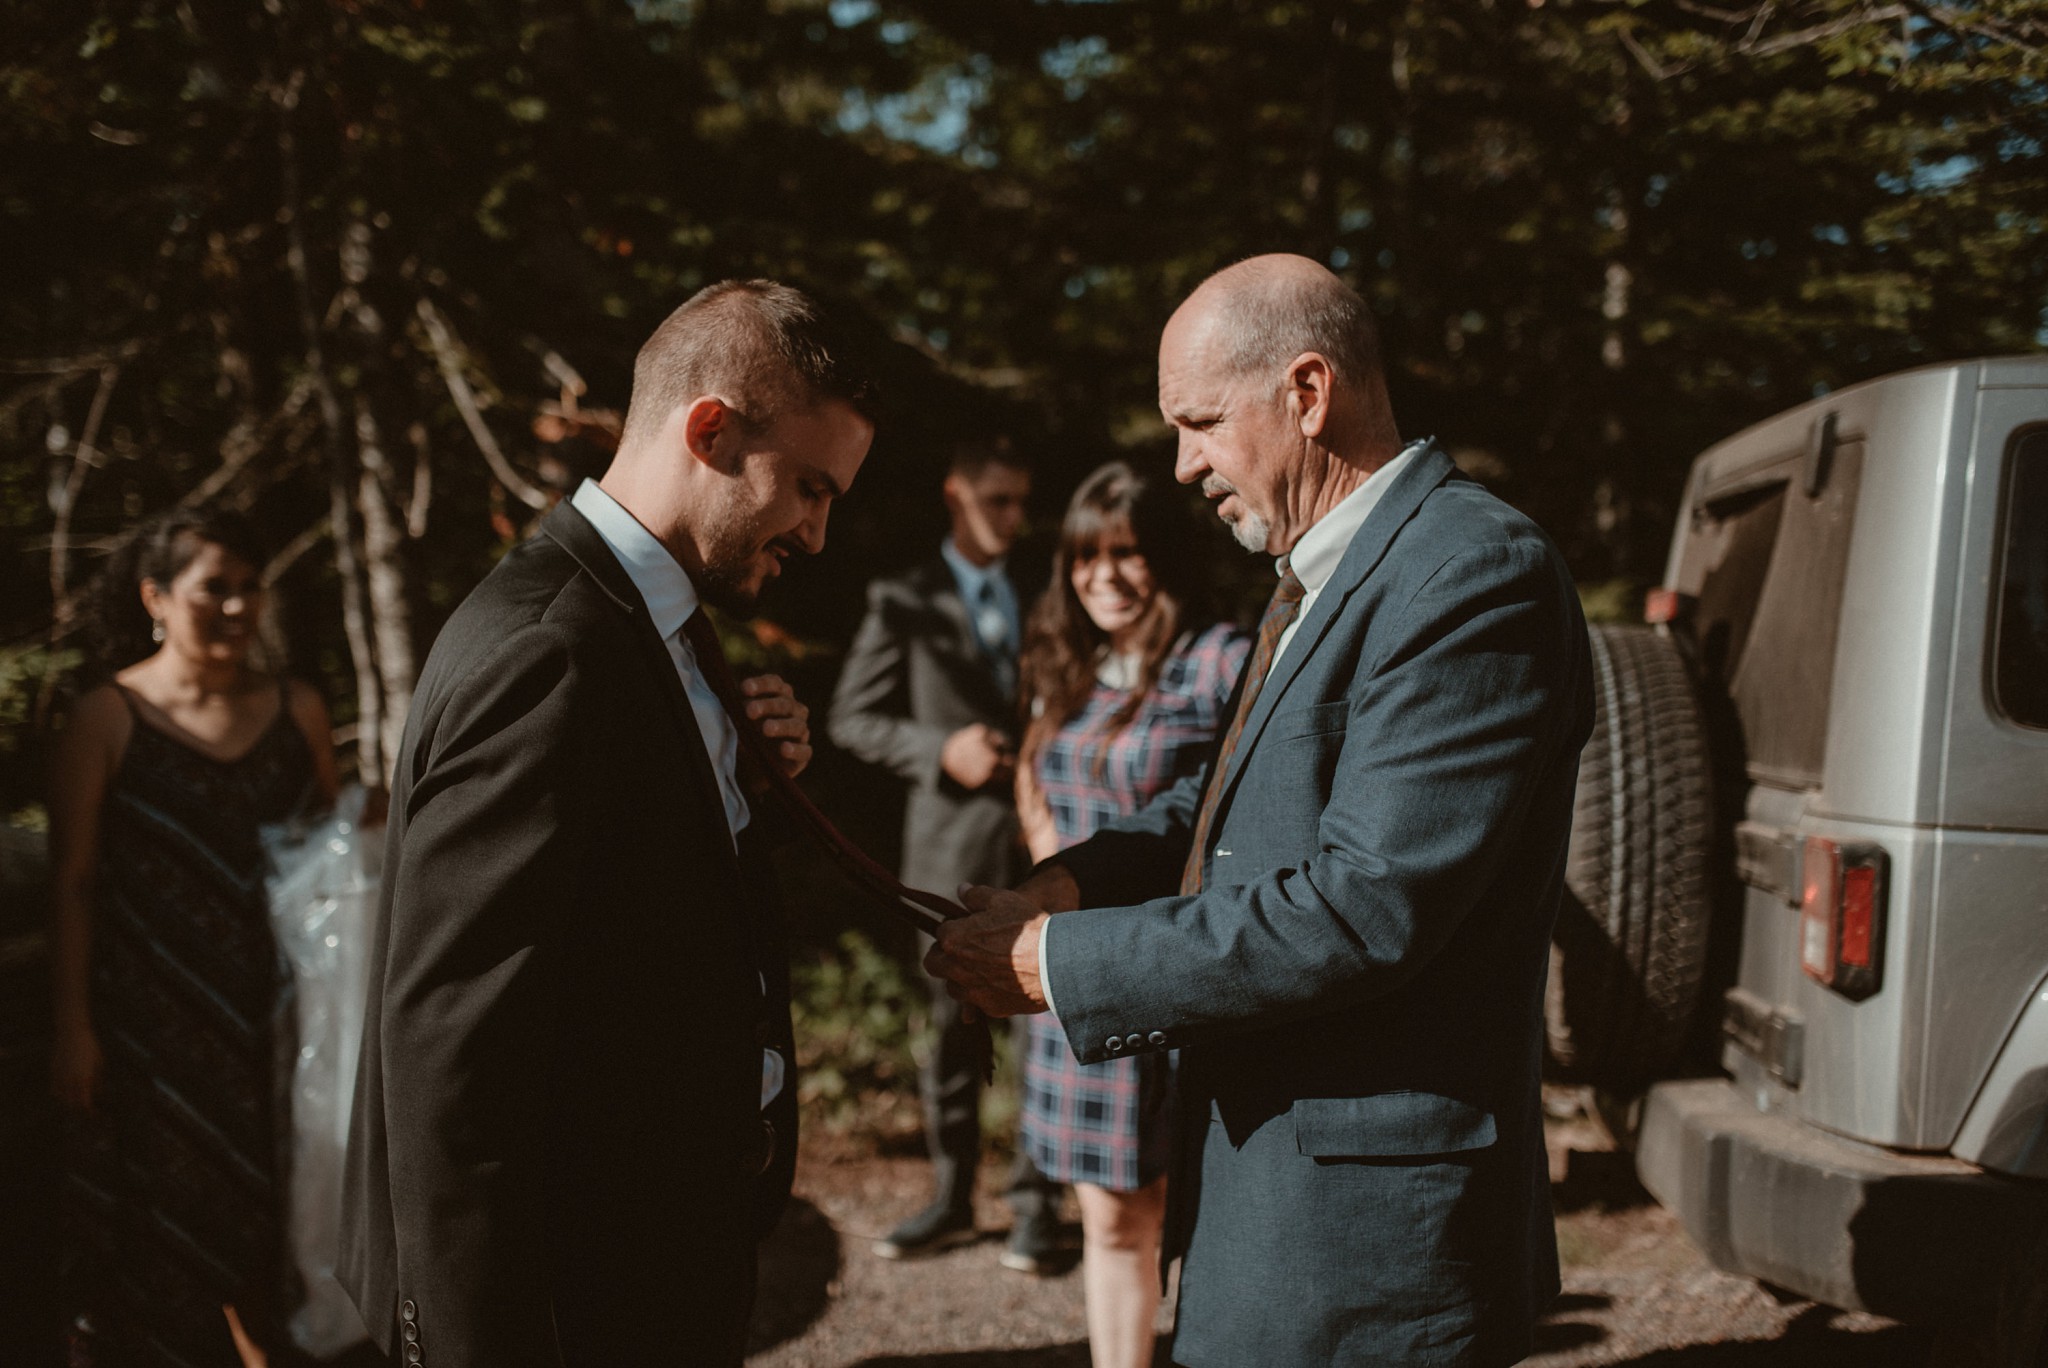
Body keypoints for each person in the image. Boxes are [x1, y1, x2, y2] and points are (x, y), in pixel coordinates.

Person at [929, 254, 1595, 1367]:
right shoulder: (1316, 573)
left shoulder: (1472, 573)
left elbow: (1363, 906)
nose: (1181, 465)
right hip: (1270, 1200)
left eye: (1196, 423)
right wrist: (1074, 881)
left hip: (1370, 1245)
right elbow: (1229, 801)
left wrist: (1056, 963)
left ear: (1306, 392)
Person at [339, 279, 876, 1367]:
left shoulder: (653, 624)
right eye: (808, 490)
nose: (817, 536)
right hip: (576, 1296)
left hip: (661, 1253)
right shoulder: (551, 647)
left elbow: (623, 903)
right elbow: (451, 1053)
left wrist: (742, 792)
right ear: (711, 431)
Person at [48, 506, 344, 1367]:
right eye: (215, 587)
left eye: (251, 588)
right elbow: (73, 882)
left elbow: (331, 849)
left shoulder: (298, 708)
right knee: (161, 1260)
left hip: (285, 1033)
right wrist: (73, 1031)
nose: (237, 607)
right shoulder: (106, 718)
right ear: (157, 596)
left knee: (279, 1248)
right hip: (152, 1040)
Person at [1012, 462, 1249, 1368]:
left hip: (1170, 973)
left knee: (1176, 1219)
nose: (1104, 576)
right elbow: (1035, 789)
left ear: (1168, 558)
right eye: (1086, 557)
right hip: (1073, 970)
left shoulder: (1219, 658)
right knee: (1107, 1224)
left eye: (1128, 554)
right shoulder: (1061, 658)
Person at [828, 438, 1064, 1270]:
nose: (1014, 518)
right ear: (954, 493)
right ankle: (950, 1198)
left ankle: (1037, 1204)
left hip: (1040, 840)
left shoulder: (1044, 588)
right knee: (948, 1027)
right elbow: (851, 717)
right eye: (998, 500)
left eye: (1020, 502)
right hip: (945, 850)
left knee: (1047, 1021)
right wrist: (940, 750)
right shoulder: (904, 596)